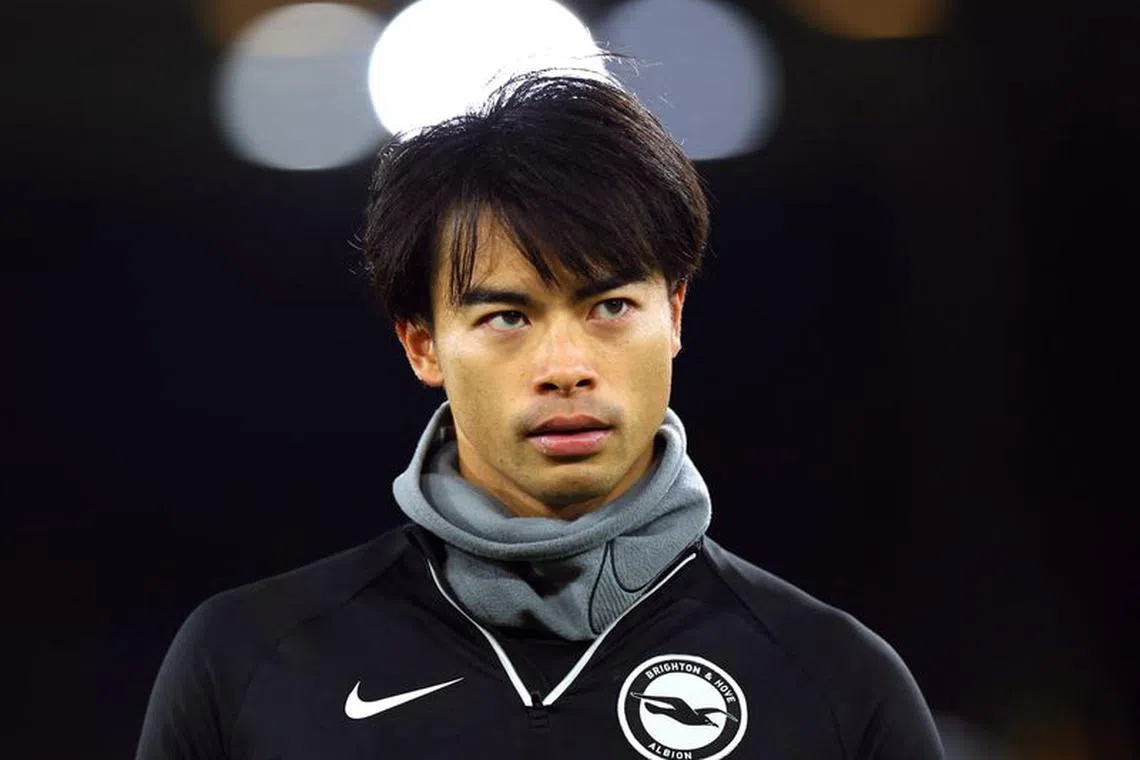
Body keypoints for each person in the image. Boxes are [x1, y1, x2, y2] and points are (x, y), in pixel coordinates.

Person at [135, 71, 944, 760]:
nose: (565, 367)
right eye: (507, 317)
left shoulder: (837, 684)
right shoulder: (247, 662)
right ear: (422, 345)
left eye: (610, 306)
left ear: (675, 315)